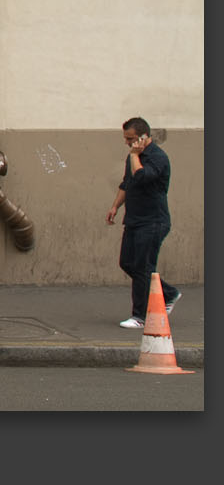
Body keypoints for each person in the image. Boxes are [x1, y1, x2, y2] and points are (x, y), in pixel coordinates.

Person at [106, 117, 181, 329]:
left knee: (143, 266)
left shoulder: (158, 158)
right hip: (135, 219)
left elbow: (140, 176)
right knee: (128, 262)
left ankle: (139, 316)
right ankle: (168, 294)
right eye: (126, 139)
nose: (127, 143)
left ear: (143, 136)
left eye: (130, 139)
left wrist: (134, 155)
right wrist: (115, 207)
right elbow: (127, 183)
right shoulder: (132, 157)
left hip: (153, 221)